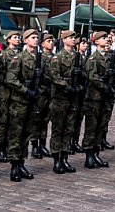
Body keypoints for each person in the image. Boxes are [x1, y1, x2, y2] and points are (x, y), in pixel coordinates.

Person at [5, 29, 43, 182]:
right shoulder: (18, 57)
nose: (36, 40)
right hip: (20, 101)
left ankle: (21, 163)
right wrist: (26, 90)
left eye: (37, 38)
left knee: (27, 134)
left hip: (32, 102)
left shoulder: (39, 58)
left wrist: (38, 90)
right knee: (16, 134)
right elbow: (11, 79)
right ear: (25, 40)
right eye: (32, 38)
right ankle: (14, 165)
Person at [46, 29, 79, 174]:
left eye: (74, 38)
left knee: (69, 129)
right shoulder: (57, 58)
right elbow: (54, 76)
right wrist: (68, 86)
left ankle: (65, 158)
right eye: (70, 37)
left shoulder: (77, 57)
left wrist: (78, 85)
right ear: (64, 40)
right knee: (58, 129)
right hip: (60, 97)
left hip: (73, 98)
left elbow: (84, 74)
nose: (73, 39)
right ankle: (56, 159)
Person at [83, 31, 111, 168]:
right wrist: (105, 86)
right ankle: (89, 156)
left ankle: (96, 153)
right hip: (94, 97)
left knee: (101, 126)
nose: (106, 40)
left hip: (104, 97)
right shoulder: (93, 58)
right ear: (96, 41)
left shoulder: (107, 58)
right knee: (91, 127)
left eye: (106, 38)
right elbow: (92, 77)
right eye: (103, 38)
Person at [0, 31, 21, 162]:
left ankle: (12, 147)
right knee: (4, 120)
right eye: (15, 38)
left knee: (14, 121)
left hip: (16, 92)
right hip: (6, 92)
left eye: (18, 37)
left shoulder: (20, 55)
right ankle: (1, 148)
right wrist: (6, 81)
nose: (18, 39)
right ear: (8, 40)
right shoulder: (4, 55)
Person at [30, 32, 55, 159]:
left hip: (51, 93)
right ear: (42, 44)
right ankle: (35, 146)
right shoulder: (39, 57)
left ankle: (42, 144)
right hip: (41, 93)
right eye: (48, 41)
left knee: (45, 120)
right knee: (37, 120)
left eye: (52, 41)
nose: (51, 43)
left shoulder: (54, 57)